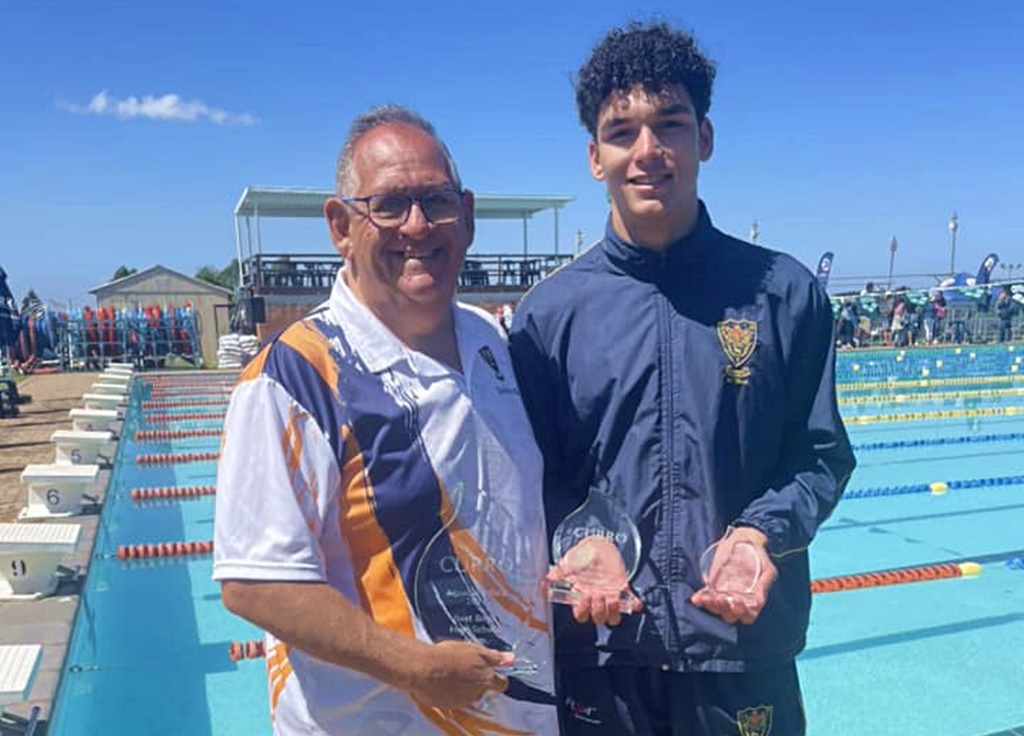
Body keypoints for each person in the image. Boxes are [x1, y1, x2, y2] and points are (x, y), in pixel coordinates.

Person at [508, 21, 856, 736]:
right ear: (593, 156)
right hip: (603, 653)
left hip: (739, 647)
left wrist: (760, 536)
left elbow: (819, 455)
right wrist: (584, 539)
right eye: (621, 131)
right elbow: (531, 472)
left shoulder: (785, 295)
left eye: (669, 124)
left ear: (705, 138)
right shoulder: (550, 315)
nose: (647, 152)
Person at [213, 105, 557, 735]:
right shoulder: (294, 378)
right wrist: (415, 668)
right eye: (391, 206)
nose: (419, 225)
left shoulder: (494, 344)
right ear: (342, 226)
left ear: (469, 215)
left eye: (437, 201)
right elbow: (255, 583)